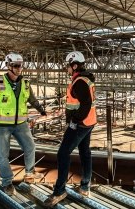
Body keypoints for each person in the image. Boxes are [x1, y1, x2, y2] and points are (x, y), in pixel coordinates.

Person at [0, 52, 47, 195]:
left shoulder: (25, 83)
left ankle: (29, 173)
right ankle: (7, 182)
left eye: (20, 65)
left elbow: (32, 100)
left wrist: (41, 110)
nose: (18, 68)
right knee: (3, 155)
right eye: (15, 65)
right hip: (1, 125)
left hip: (21, 124)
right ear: (8, 66)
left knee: (30, 147)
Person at [44, 51, 97, 207]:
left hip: (80, 124)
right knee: (85, 152)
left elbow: (85, 104)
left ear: (74, 66)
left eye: (67, 66)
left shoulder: (79, 81)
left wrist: (74, 120)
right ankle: (85, 186)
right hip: (89, 122)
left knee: (62, 153)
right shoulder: (86, 79)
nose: (66, 69)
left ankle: (59, 191)